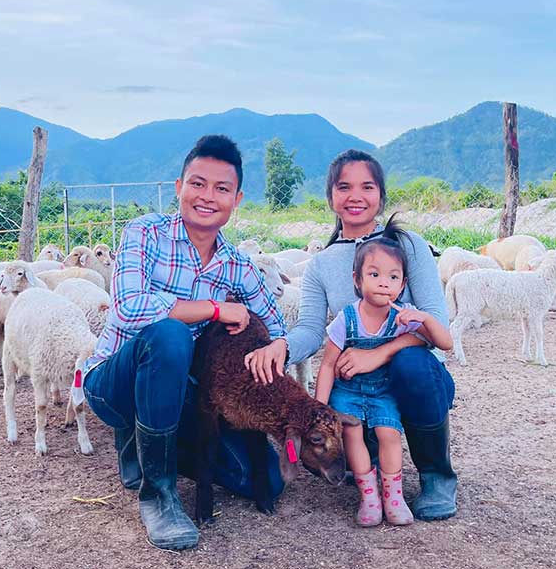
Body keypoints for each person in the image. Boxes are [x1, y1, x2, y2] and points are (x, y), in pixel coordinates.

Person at [82, 134, 289, 551]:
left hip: (177, 393)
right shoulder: (145, 233)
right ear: (179, 188)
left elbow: (277, 321)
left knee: (261, 476)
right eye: (197, 184)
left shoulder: (237, 264)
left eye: (221, 188)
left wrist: (279, 345)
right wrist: (214, 308)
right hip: (113, 383)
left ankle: (148, 449)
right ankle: (158, 495)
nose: (207, 197)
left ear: (237, 199)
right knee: (170, 335)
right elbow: (129, 308)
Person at [244, 149, 459, 521]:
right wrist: (280, 346)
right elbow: (312, 329)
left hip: (416, 377)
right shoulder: (322, 264)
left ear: (380, 195)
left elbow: (435, 320)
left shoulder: (409, 247)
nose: (355, 196)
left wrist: (378, 354)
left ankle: (436, 476)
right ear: (331, 197)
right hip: (357, 386)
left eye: (367, 186)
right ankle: (368, 464)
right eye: (344, 187)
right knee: (356, 416)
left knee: (411, 362)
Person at [315, 237, 453, 526]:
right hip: (348, 391)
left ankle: (394, 496)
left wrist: (425, 318)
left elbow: (445, 343)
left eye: (393, 277)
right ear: (357, 279)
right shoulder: (347, 318)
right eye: (374, 274)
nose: (383, 283)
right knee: (352, 433)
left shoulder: (404, 316)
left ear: (402, 284)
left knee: (389, 433)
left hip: (383, 391)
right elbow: (328, 364)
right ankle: (369, 497)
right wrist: (319, 408)